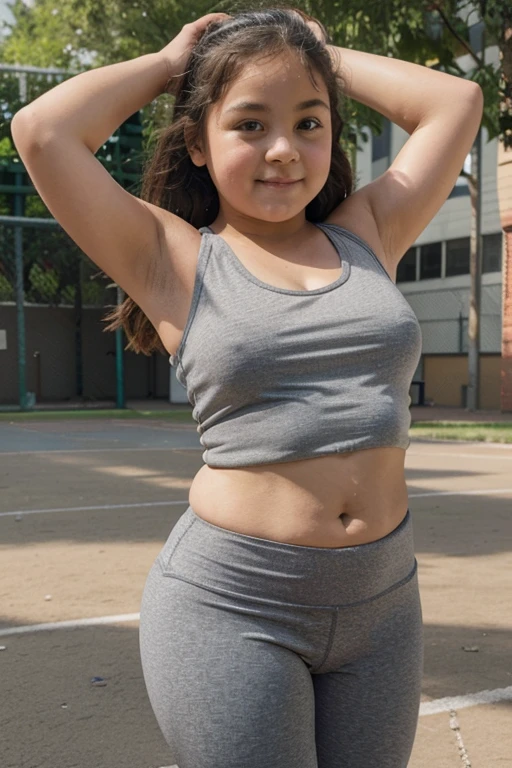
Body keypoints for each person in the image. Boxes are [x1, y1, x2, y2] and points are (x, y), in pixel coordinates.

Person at [11, 6, 484, 766]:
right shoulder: (173, 257)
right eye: (249, 124)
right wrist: (173, 61)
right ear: (198, 142)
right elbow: (41, 132)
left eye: (308, 122)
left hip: (384, 605)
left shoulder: (367, 234)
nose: (283, 150)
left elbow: (455, 104)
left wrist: (320, 55)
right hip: (235, 606)